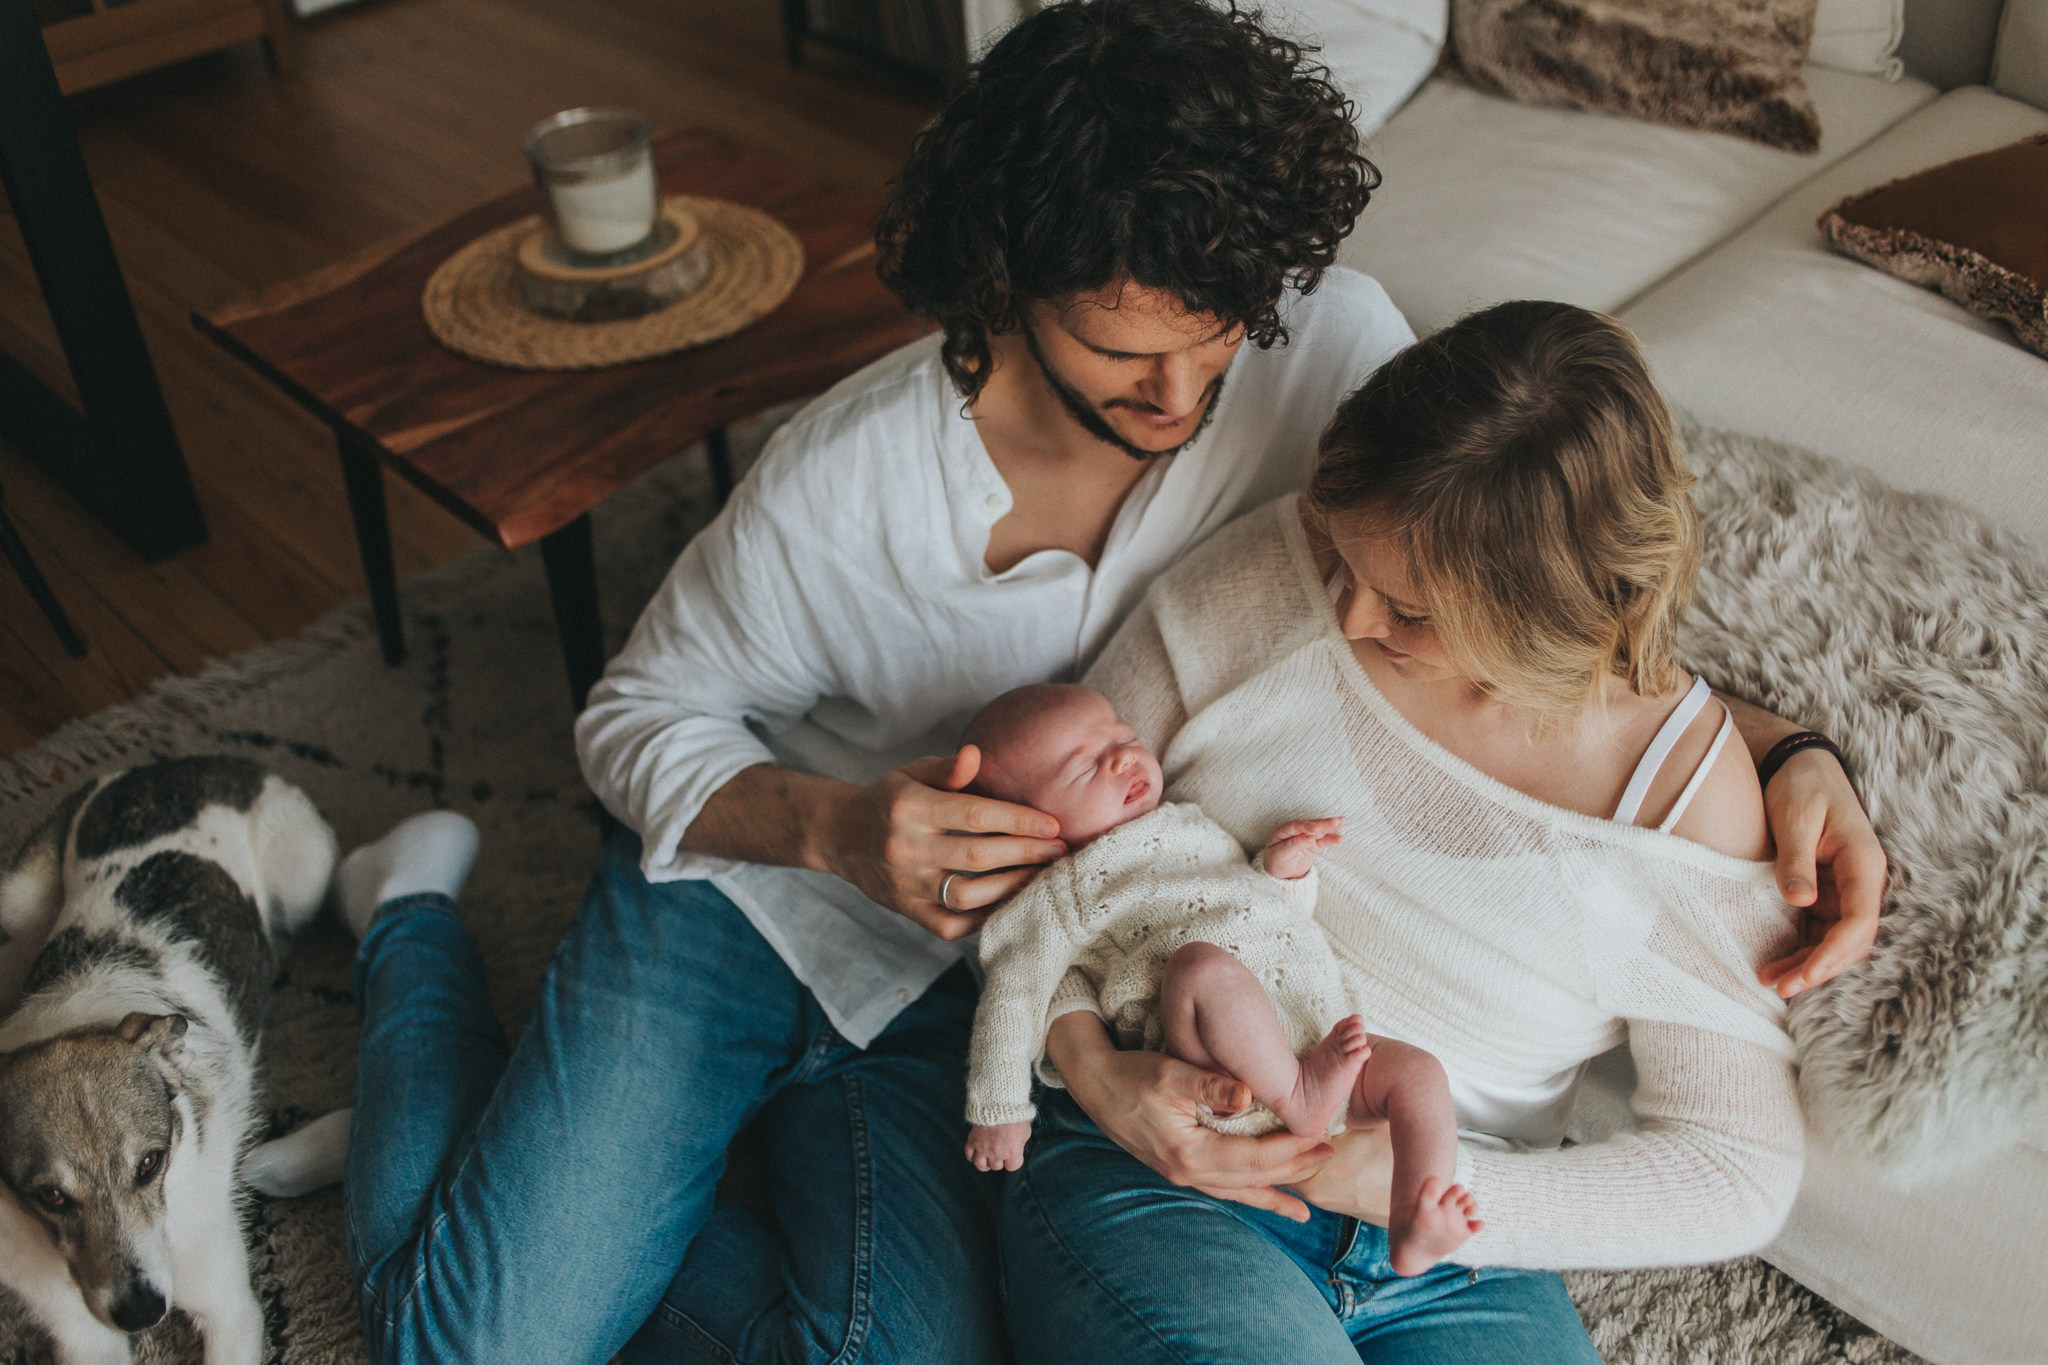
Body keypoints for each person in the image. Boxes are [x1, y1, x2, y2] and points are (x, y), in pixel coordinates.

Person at [335, 2, 1885, 1361]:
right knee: (474, 1337)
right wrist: (828, 827)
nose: (1187, 401)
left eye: (1217, 352)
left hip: (983, 972)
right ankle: (414, 935)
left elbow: (1498, 578)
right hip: (759, 900)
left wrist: (1781, 749)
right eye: (1128, 356)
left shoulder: (1322, 350)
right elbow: (631, 719)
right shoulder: (844, 484)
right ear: (1002, 280)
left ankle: (640, 1187)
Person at [1002, 299, 1814, 1360]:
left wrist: (1447, 1185)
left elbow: (1735, 1169)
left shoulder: (1677, 802)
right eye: (1346, 563)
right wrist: (1091, 1072)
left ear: (1557, 611)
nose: (1345, 619)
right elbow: (1035, 862)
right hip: (1174, 1168)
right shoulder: (1270, 584)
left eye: (1410, 611)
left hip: (1446, 1255)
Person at [956, 682, 1481, 1276]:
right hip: (1220, 1072)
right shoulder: (1060, 894)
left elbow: (1254, 912)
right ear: (1030, 829)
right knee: (1200, 965)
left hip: (1314, 1034)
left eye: (1123, 737)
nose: (1125, 758)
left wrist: (1281, 874)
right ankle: (1296, 1095)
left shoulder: (1187, 823)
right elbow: (1015, 993)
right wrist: (999, 1109)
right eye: (1086, 767)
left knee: (1419, 1073)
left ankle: (1418, 1214)